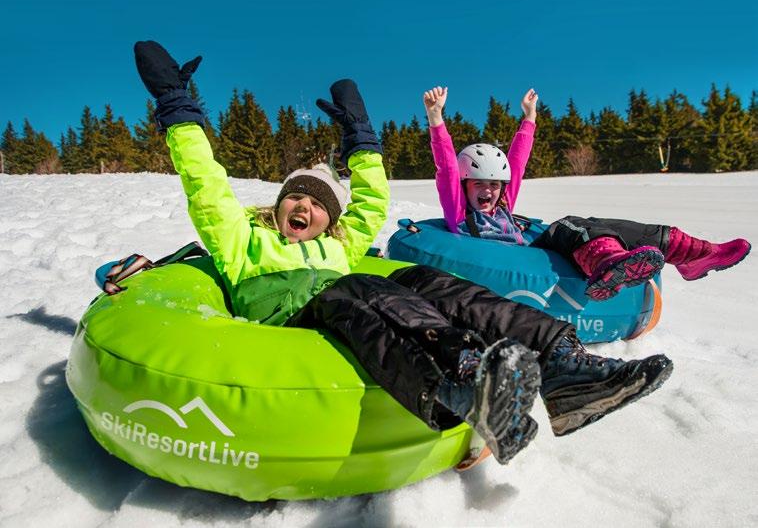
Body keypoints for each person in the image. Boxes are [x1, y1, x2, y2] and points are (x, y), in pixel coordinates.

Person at [133, 41, 672, 465]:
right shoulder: (242, 239)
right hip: (293, 310)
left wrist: (360, 138)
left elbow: (371, 201)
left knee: (429, 283)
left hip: (350, 295)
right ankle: (464, 380)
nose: (303, 206)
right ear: (276, 208)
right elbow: (206, 183)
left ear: (332, 220)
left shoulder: (339, 245)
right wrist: (178, 109)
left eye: (317, 203)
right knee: (356, 289)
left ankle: (565, 366)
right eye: (293, 197)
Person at [423, 86, 751, 300]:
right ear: (464, 186)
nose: (488, 191)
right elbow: (447, 170)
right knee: (566, 226)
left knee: (595, 225)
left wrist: (530, 118)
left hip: (530, 255)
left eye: (494, 184)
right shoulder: (459, 214)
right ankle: (607, 264)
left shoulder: (504, 203)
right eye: (479, 183)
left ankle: (693, 253)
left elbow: (517, 164)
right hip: (505, 264)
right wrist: (436, 118)